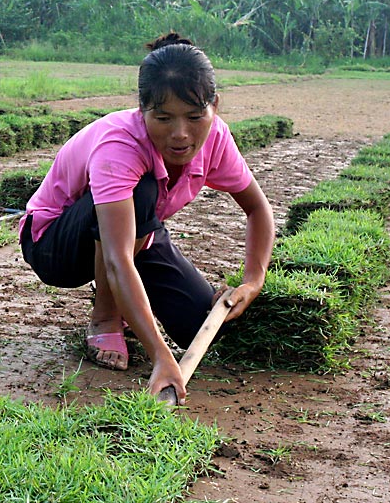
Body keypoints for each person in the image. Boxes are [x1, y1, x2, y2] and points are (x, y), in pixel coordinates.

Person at [19, 32, 275, 404]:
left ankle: (127, 309)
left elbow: (257, 208)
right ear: (142, 110)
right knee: (141, 193)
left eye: (194, 116)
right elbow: (117, 258)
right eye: (163, 118)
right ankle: (106, 318)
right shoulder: (120, 145)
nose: (180, 134)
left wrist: (253, 280)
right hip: (55, 244)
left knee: (200, 326)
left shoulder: (217, 137)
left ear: (214, 106)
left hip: (138, 233)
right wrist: (160, 357)